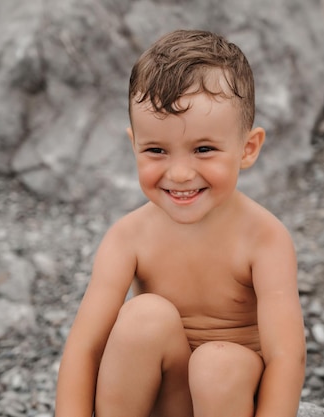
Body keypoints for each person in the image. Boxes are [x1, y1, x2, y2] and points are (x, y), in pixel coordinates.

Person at [55, 29, 306, 417]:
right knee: (143, 316)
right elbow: (85, 346)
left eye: (203, 149)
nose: (181, 173)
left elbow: (286, 358)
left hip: (228, 398)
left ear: (248, 148)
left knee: (216, 363)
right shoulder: (128, 237)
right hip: (163, 397)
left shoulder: (264, 237)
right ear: (133, 144)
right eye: (156, 150)